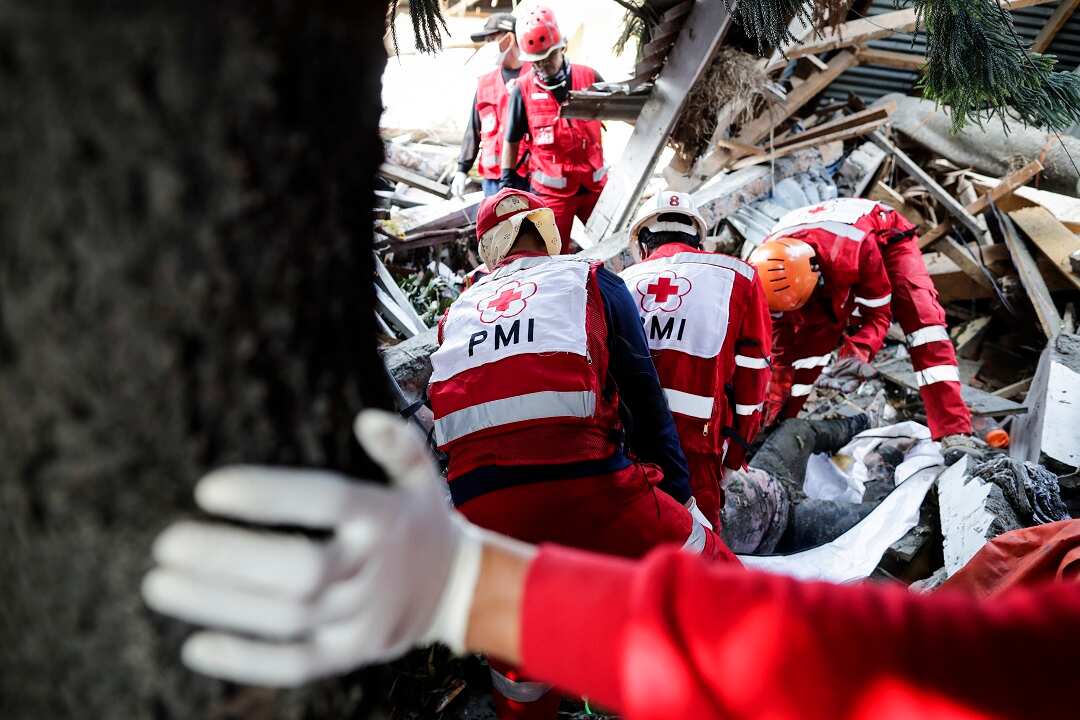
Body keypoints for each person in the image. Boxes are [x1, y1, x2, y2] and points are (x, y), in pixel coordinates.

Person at [143, 409, 1080, 720]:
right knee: (777, 510)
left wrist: (489, 593)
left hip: (627, 497)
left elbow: (891, 668)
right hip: (690, 493)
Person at [426, 187, 731, 717]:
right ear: (547, 231)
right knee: (718, 579)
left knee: (517, 666)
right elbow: (646, 398)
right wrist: (684, 499)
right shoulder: (588, 279)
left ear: (488, 250)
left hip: (481, 512)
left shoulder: (457, 312)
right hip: (592, 485)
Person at [751, 198, 985, 463]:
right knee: (809, 343)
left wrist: (855, 355)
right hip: (813, 255)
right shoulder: (761, 273)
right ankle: (778, 423)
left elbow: (877, 316)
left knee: (922, 321)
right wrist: (769, 406)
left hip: (884, 238)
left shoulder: (852, 251)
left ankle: (954, 430)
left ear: (817, 275)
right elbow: (780, 351)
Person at [617, 191, 772, 530]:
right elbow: (753, 376)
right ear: (698, 241)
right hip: (698, 447)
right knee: (699, 547)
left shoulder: (621, 284)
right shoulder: (740, 277)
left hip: (629, 444)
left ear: (643, 243)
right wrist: (735, 457)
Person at [500, 5, 606, 252]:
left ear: (562, 47)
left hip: (594, 187)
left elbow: (626, 112)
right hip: (553, 195)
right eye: (537, 62)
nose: (543, 66)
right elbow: (512, 138)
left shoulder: (589, 77)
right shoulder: (523, 89)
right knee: (550, 255)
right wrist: (507, 179)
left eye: (549, 58)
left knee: (613, 242)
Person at [451, 13, 531, 198]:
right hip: (493, 181)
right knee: (497, 227)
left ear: (510, 37)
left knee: (530, 227)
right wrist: (462, 169)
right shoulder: (485, 83)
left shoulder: (535, 77)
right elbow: (474, 128)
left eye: (491, 38)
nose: (487, 44)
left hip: (528, 176)